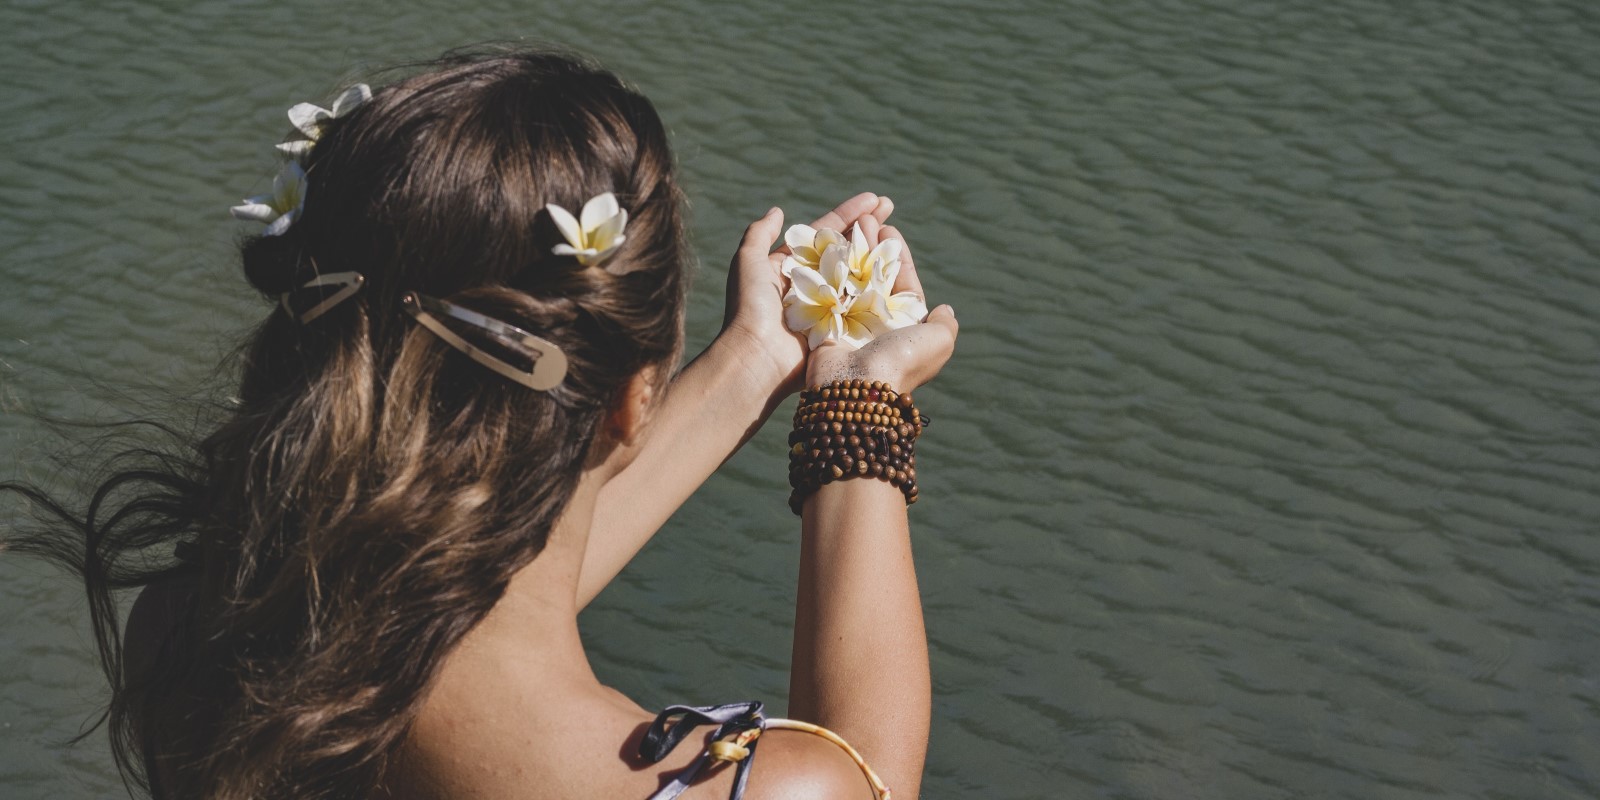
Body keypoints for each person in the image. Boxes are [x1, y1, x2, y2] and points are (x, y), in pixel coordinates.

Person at [2, 48, 958, 800]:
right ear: (635, 397)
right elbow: (867, 776)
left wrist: (751, 363)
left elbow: (468, 615)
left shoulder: (197, 636)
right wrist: (857, 407)